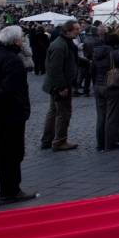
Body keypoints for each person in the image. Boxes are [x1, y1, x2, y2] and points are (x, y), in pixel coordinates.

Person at [0, 25, 37, 205]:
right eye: (21, 38)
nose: (22, 41)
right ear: (16, 41)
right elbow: (10, 88)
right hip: (10, 112)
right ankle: (10, 190)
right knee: (11, 153)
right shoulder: (12, 60)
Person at [41, 20, 80, 151]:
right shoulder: (59, 45)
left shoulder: (65, 43)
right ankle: (59, 141)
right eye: (76, 29)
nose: (78, 31)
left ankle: (47, 140)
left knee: (53, 112)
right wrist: (61, 87)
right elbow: (54, 69)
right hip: (60, 84)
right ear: (68, 30)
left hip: (56, 83)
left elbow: (72, 59)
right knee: (63, 113)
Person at [91, 31, 119, 151]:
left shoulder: (96, 52)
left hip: (98, 86)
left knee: (101, 116)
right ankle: (110, 143)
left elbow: (92, 69)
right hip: (111, 86)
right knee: (112, 116)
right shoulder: (114, 53)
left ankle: (100, 143)